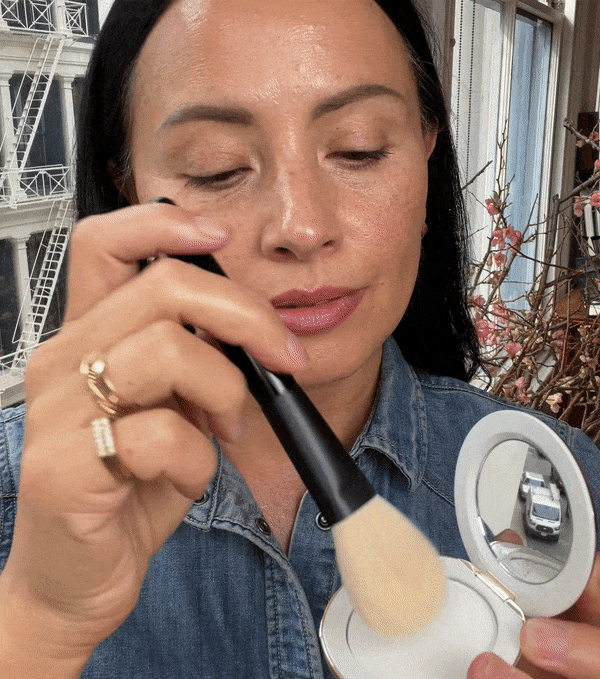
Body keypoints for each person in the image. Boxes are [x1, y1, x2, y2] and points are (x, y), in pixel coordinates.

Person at [0, 0, 599, 677]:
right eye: (217, 167)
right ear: (129, 186)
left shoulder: (555, 487)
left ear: (428, 151)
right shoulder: (22, 496)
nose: (302, 227)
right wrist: (39, 622)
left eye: (359, 149)